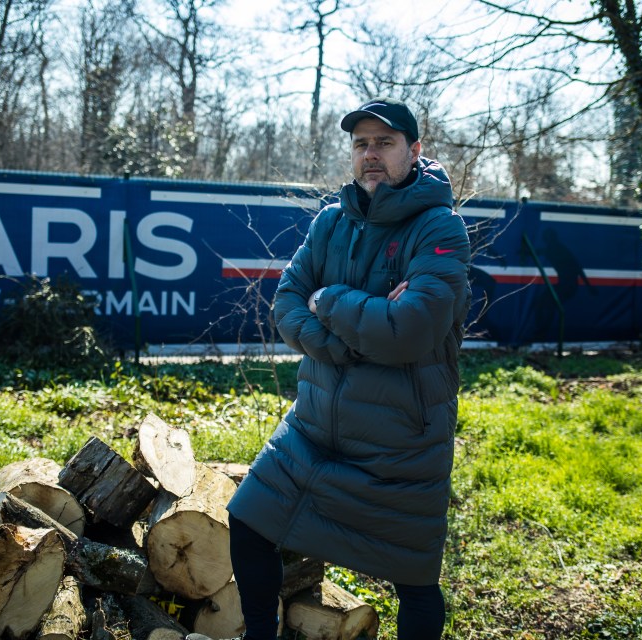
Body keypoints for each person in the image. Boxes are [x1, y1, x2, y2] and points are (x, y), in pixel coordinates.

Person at [193, 98, 471, 640]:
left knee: (413, 581)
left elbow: (410, 330)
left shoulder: (441, 228)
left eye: (385, 143)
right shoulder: (331, 222)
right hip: (314, 425)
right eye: (361, 143)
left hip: (400, 442)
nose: (371, 154)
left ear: (414, 152)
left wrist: (331, 299)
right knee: (248, 522)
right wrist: (348, 338)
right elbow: (286, 302)